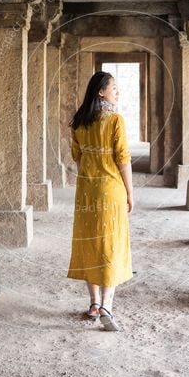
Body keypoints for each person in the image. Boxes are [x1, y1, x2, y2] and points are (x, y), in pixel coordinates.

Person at [67, 71, 134, 331]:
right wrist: (130, 191)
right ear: (100, 92)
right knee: (111, 245)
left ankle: (93, 303)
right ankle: (106, 304)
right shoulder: (115, 120)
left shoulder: (79, 122)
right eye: (113, 88)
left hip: (86, 190)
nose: (117, 92)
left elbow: (77, 157)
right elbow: (123, 158)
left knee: (90, 243)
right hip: (111, 189)